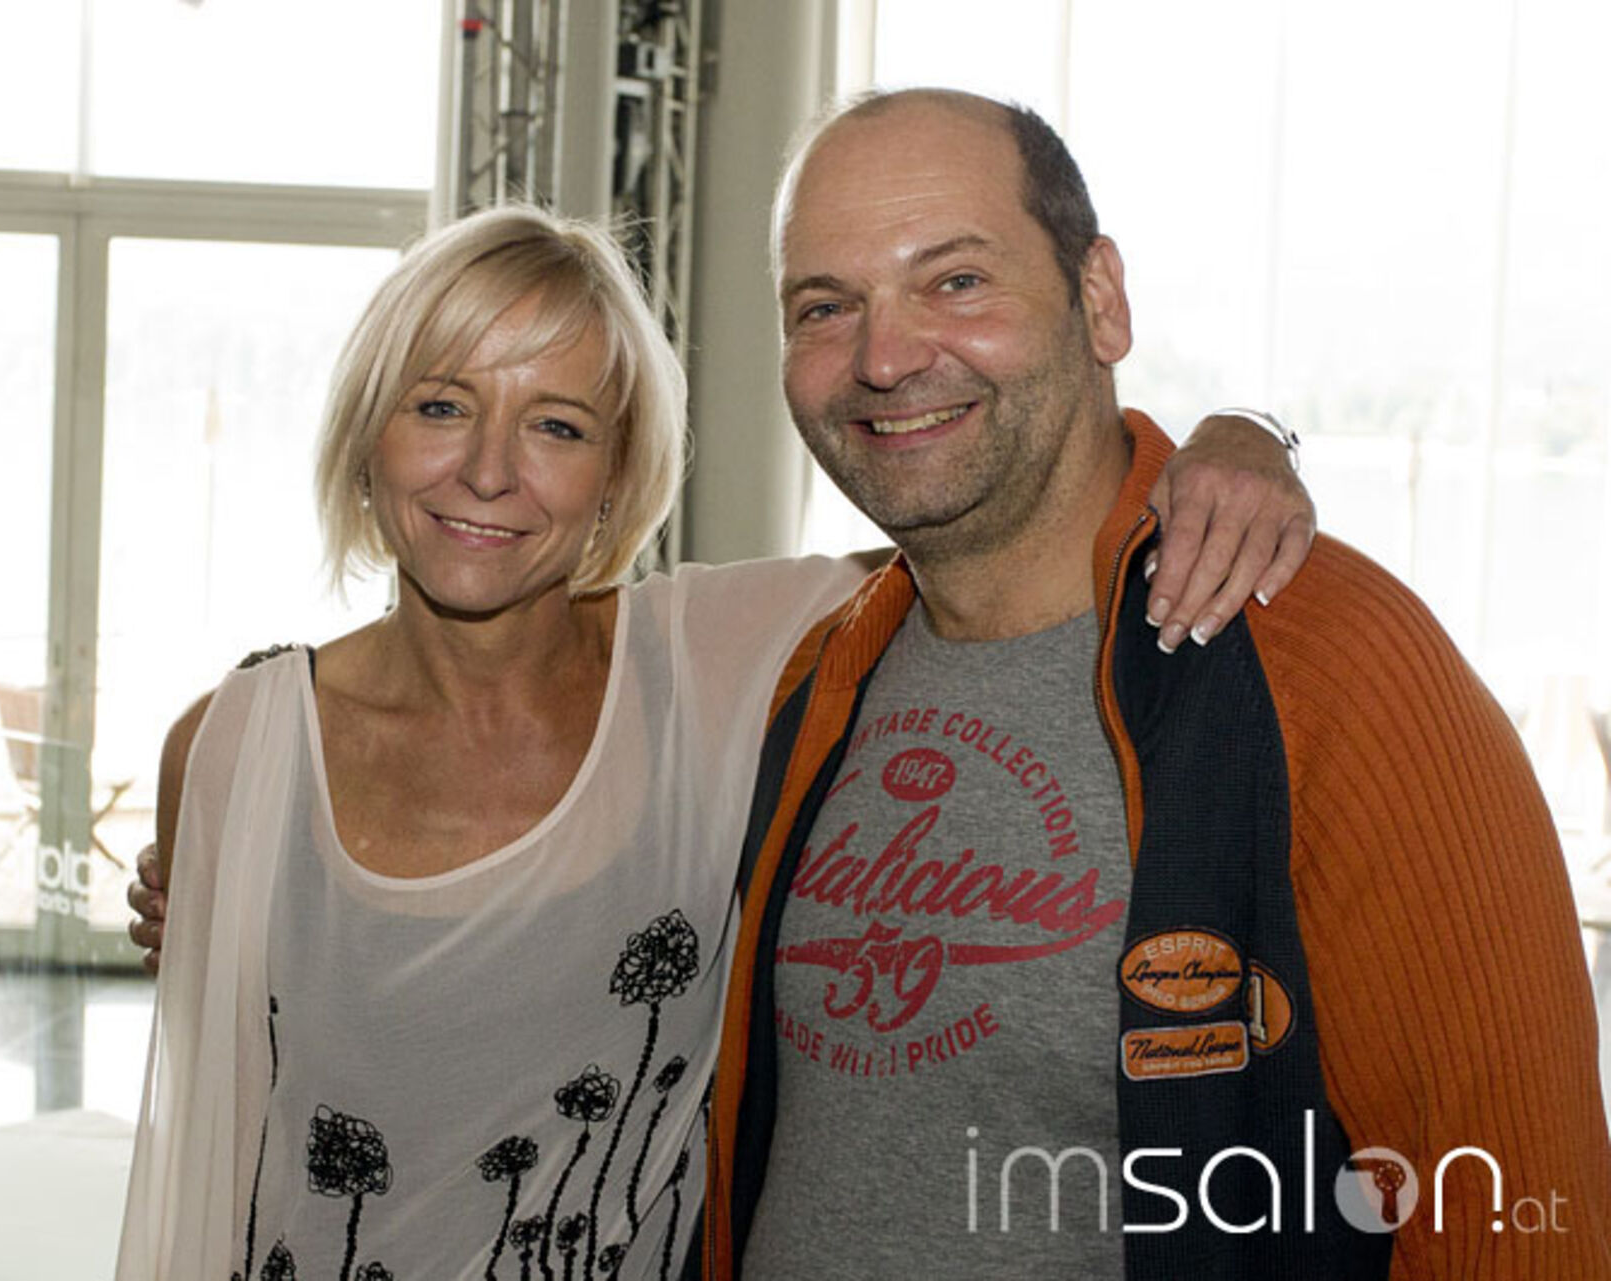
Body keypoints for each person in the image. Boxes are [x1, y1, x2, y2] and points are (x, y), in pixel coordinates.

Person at [117, 203, 1314, 1281]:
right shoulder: (239, 749)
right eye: (440, 406)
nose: (487, 471)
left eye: (557, 426)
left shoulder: (721, 658)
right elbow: (208, 1163)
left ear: (617, 475)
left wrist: (1245, 437)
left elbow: (1019, 522)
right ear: (365, 439)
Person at [702, 89, 1611, 1279]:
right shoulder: (816, 673)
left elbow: (1515, 1213)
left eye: (957, 281)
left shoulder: (1337, 663)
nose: (883, 358)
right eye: (826, 307)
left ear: (1100, 299)